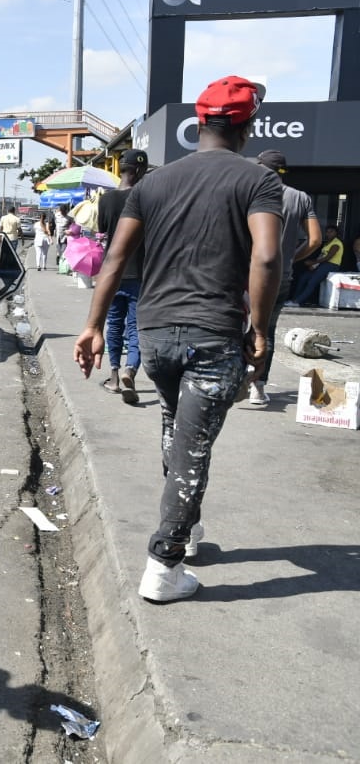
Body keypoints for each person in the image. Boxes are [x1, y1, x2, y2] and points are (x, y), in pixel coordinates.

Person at [73, 74, 281, 603]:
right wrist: (259, 328)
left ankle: (186, 527)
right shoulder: (258, 182)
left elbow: (114, 259)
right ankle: (164, 564)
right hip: (212, 336)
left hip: (157, 335)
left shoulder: (152, 184)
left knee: (178, 429)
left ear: (200, 123)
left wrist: (93, 325)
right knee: (193, 447)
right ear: (247, 124)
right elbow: (265, 256)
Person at [246, 149, 320, 407]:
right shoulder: (300, 198)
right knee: (266, 331)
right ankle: (258, 386)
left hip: (247, 275)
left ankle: (232, 380)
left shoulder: (251, 193)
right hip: (281, 277)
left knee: (234, 326)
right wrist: (292, 258)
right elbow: (314, 240)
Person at [98, 148, 149, 404]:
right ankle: (132, 369)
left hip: (112, 274)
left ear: (121, 168)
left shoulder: (106, 199)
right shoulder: (146, 197)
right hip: (139, 274)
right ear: (139, 170)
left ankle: (115, 377)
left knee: (114, 325)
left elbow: (102, 231)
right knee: (135, 326)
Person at [287, 224, 344, 307]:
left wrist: (313, 263)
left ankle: (297, 302)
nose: (328, 234)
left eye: (331, 232)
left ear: (336, 233)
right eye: (327, 232)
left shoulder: (336, 243)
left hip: (331, 265)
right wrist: (314, 265)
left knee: (312, 282)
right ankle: (294, 299)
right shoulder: (328, 243)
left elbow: (328, 257)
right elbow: (322, 256)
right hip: (322, 264)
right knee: (303, 278)